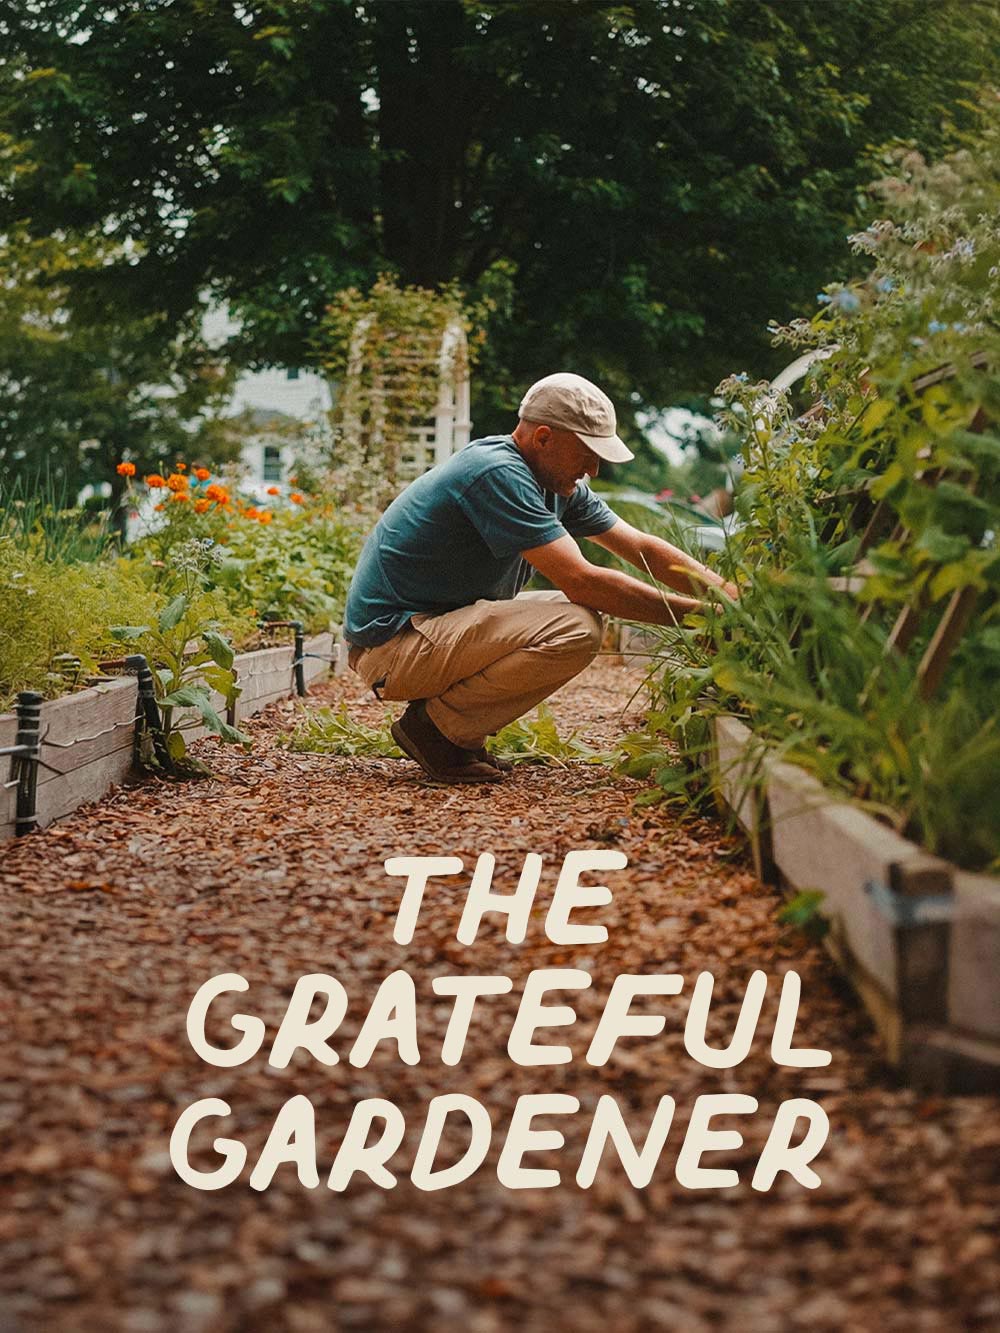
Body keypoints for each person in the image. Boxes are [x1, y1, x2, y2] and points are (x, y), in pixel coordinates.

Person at [344, 372, 736, 784]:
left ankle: (448, 730)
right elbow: (584, 581)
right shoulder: (496, 473)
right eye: (586, 452)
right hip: (392, 646)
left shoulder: (553, 483)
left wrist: (732, 599)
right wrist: (704, 619)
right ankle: (436, 731)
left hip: (428, 632)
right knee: (577, 626)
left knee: (576, 615)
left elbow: (639, 546)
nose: (594, 469)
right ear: (544, 438)